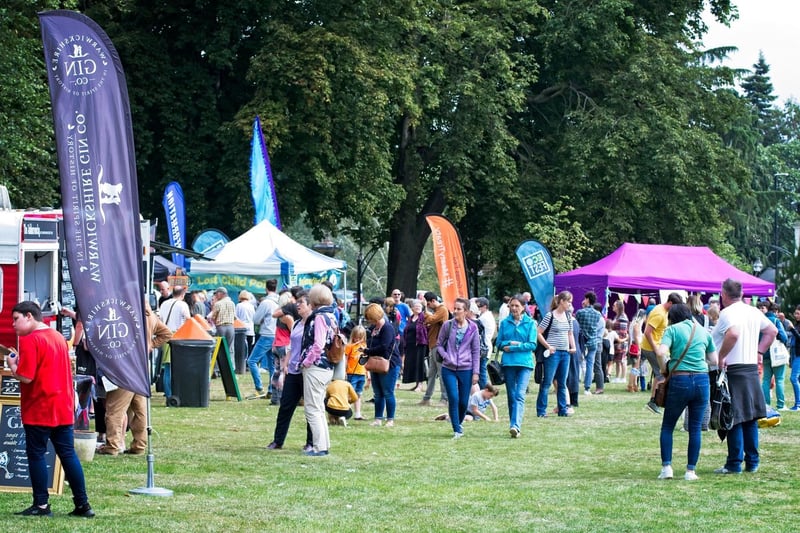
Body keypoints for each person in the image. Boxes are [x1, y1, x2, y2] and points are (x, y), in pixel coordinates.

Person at [7, 301, 94, 518]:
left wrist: (12, 365)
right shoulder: (57, 336)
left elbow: (26, 377)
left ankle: (42, 505)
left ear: (29, 316)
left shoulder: (30, 339)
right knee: (67, 454)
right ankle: (83, 504)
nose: (13, 325)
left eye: (16, 319)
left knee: (36, 454)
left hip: (40, 406)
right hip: (62, 406)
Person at [711, 278, 776, 474]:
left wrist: (721, 356)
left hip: (733, 369)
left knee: (734, 417)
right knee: (750, 417)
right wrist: (759, 352)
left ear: (723, 294)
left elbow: (733, 334)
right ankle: (752, 461)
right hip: (749, 368)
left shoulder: (727, 313)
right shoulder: (753, 310)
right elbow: (771, 331)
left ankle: (734, 463)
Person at [99, 302, 172, 456]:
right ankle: (139, 445)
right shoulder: (150, 315)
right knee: (140, 409)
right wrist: (150, 345)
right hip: (141, 367)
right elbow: (166, 333)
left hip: (125, 366)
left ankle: (112, 445)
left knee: (114, 409)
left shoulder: (125, 316)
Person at [656, 303, 717, 481]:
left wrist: (664, 369)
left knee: (668, 425)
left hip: (679, 379)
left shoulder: (672, 330)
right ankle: (691, 471)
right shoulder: (704, 332)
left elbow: (661, 352)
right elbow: (714, 360)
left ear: (672, 318)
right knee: (695, 427)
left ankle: (667, 467)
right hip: (702, 380)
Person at [267, 291, 313, 452]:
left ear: (310, 306)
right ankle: (278, 441)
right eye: (297, 302)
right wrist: (285, 367)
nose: (298, 305)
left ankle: (311, 442)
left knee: (310, 408)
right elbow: (291, 348)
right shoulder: (298, 324)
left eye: (301, 303)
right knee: (285, 406)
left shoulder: (314, 324)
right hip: (293, 371)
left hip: (307, 371)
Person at [299, 284, 338, 456]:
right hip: (327, 366)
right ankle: (324, 444)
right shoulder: (332, 316)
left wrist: (306, 362)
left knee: (312, 408)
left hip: (316, 366)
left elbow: (318, 344)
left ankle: (319, 447)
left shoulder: (320, 317)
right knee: (319, 407)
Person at [437, 298, 480, 439]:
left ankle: (459, 422)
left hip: (466, 368)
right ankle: (456, 429)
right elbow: (439, 345)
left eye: (459, 309)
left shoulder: (473, 327)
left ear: (466, 311)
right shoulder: (447, 325)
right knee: (453, 398)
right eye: (454, 308)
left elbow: (476, 351)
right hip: (448, 368)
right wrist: (445, 356)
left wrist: (476, 372)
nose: (455, 311)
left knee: (463, 401)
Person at [495, 294, 537, 437]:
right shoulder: (505, 323)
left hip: (525, 364)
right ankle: (513, 425)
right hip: (508, 364)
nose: (513, 308)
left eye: (516, 306)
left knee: (519, 394)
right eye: (511, 306)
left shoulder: (531, 323)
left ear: (523, 307)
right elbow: (499, 343)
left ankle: (515, 425)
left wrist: (513, 346)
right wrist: (509, 343)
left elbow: (532, 344)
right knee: (511, 396)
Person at [642, 293, 684, 414]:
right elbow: (647, 332)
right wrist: (655, 348)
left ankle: (653, 400)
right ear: (670, 303)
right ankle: (655, 401)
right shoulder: (659, 313)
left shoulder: (663, 310)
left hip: (655, 347)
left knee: (659, 374)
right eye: (675, 306)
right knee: (663, 374)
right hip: (651, 348)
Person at [536, 291, 576, 418]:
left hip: (565, 353)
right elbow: (538, 332)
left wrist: (573, 346)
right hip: (553, 354)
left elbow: (570, 333)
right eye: (568, 301)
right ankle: (541, 410)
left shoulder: (569, 316)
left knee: (562, 383)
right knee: (547, 382)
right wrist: (548, 346)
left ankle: (562, 409)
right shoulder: (550, 316)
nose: (570, 304)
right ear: (561, 301)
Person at [362, 303, 402, 427]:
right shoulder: (374, 329)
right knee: (377, 393)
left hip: (389, 364)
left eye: (370, 318)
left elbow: (384, 347)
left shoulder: (387, 328)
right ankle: (378, 418)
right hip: (375, 363)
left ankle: (390, 419)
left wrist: (367, 351)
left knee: (388, 392)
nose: (368, 321)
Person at [248, 280, 279, 399]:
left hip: (266, 334)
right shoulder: (279, 301)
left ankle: (259, 388)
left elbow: (255, 319)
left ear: (266, 289)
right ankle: (271, 389)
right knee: (272, 365)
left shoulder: (266, 303)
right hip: (276, 335)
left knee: (252, 361)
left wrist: (261, 321)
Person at [419, 292, 449, 406]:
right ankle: (427, 398)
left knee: (442, 373)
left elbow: (431, 320)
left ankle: (444, 399)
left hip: (438, 345)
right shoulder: (436, 311)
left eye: (428, 304)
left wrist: (424, 310)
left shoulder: (442, 309)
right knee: (431, 373)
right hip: (432, 345)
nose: (428, 306)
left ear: (432, 301)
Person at [760, 302, 789, 410]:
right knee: (779, 379)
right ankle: (781, 405)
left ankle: (766, 404)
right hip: (777, 354)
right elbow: (784, 337)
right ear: (776, 311)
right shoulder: (776, 321)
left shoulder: (761, 321)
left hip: (765, 354)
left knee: (766, 380)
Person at [575, 291, 602, 395]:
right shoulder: (597, 314)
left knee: (577, 363)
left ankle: (575, 384)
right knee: (590, 365)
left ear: (587, 299)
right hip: (593, 341)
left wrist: (582, 307)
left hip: (581, 341)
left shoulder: (580, 313)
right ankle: (587, 388)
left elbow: (576, 324)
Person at [401, 299, 427, 391]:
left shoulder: (424, 317)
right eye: (416, 307)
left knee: (419, 363)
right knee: (413, 364)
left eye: (419, 307)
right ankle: (416, 384)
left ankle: (420, 385)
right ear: (412, 308)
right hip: (410, 344)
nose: (418, 308)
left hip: (420, 344)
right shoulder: (411, 318)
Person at [345, 325, 368, 420]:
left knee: (358, 394)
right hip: (352, 373)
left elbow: (366, 361)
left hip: (361, 373)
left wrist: (368, 374)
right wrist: (344, 371)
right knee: (350, 394)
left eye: (360, 338)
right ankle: (346, 410)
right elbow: (345, 359)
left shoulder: (365, 347)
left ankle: (358, 413)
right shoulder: (349, 346)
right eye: (356, 337)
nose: (357, 339)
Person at [209, 287, 236, 365]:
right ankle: (230, 367)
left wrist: (215, 322)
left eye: (217, 293)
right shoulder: (232, 303)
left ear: (221, 293)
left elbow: (213, 317)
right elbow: (235, 317)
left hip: (221, 327)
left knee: (218, 348)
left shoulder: (218, 304)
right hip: (231, 327)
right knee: (229, 349)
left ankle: (217, 368)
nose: (216, 295)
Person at [476, 297, 496, 388]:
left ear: (485, 306)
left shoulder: (483, 318)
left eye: (478, 306)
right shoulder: (487, 316)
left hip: (483, 347)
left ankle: (484, 392)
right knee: (482, 372)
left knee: (482, 373)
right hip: (486, 346)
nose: (477, 308)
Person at [627, 309, 646, 393]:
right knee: (635, 367)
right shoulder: (637, 325)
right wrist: (639, 348)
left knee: (635, 367)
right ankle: (631, 385)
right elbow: (636, 337)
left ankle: (634, 384)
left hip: (632, 345)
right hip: (636, 346)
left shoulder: (632, 323)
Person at [235, 290, 256, 361]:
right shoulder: (252, 306)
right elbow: (254, 317)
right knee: (250, 347)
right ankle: (248, 363)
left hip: (241, 329)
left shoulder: (239, 305)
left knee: (242, 348)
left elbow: (236, 317)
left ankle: (242, 362)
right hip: (250, 329)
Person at [612, 300, 629, 383]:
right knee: (617, 361)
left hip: (621, 342)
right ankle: (617, 377)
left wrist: (617, 337)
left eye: (614, 305)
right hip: (617, 342)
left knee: (622, 360)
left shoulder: (622, 317)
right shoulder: (617, 317)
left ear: (618, 307)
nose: (613, 307)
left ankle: (623, 377)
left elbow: (623, 332)